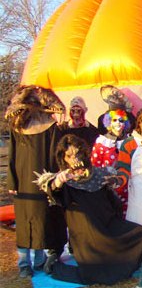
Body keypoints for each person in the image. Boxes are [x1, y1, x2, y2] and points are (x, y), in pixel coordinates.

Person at [33, 134, 142, 285]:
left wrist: (113, 183)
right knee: (97, 273)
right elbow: (52, 188)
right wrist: (59, 180)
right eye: (69, 155)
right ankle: (55, 268)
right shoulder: (64, 178)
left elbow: (113, 200)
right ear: (64, 158)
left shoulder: (99, 173)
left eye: (77, 153)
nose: (74, 158)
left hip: (108, 224)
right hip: (86, 233)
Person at [5, 86, 67, 278]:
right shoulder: (17, 127)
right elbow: (12, 155)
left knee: (41, 222)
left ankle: (39, 261)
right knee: (24, 224)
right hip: (22, 182)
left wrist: (53, 179)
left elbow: (54, 154)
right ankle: (24, 264)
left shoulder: (49, 127)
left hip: (42, 180)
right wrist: (12, 182)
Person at [91, 108, 131, 216]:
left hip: (128, 189)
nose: (118, 123)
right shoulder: (102, 143)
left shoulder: (130, 142)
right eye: (114, 120)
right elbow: (95, 167)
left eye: (121, 120)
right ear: (109, 122)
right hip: (108, 188)